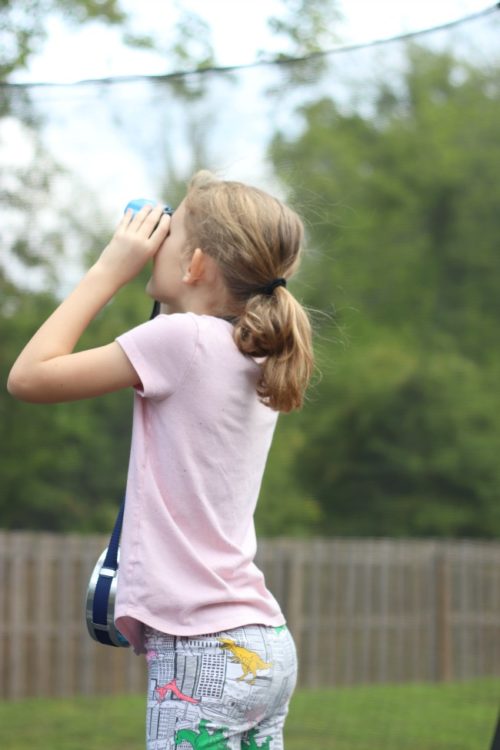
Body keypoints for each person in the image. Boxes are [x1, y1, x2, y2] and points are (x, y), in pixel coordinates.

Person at [7, 170, 314, 749]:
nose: (153, 238)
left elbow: (29, 377)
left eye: (168, 236)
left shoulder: (183, 340)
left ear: (195, 265)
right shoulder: (254, 353)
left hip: (203, 648)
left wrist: (111, 267)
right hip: (260, 638)